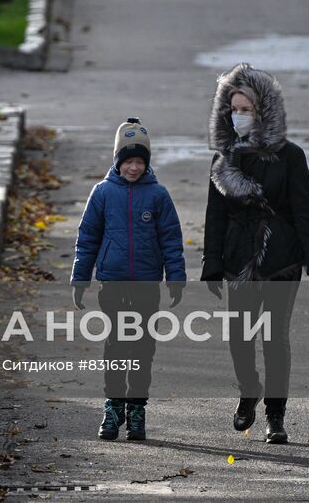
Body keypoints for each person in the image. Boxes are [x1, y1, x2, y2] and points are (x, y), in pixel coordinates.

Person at [201, 64, 309, 445]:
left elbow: (305, 210)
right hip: (238, 260)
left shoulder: (291, 156)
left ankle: (276, 417)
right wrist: (212, 263)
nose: (238, 116)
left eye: (246, 109)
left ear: (265, 112)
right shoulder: (222, 160)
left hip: (282, 260)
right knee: (240, 337)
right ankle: (249, 391)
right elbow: (215, 216)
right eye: (233, 108)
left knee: (275, 339)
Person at [71, 118, 185, 443]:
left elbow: (171, 240)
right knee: (116, 345)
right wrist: (80, 278)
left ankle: (136, 408)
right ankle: (112, 405)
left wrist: (176, 278)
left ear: (147, 163)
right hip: (113, 283)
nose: (134, 167)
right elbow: (88, 237)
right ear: (117, 161)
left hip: (147, 285)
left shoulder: (158, 196)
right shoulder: (103, 193)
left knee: (143, 347)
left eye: (139, 161)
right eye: (128, 161)